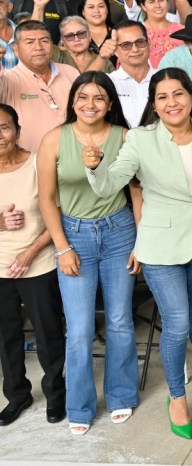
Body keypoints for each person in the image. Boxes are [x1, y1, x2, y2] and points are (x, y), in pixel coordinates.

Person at [83, 68, 192, 440]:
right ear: (154, 104)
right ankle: (178, 396)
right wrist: (95, 166)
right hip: (161, 246)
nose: (172, 102)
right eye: (163, 97)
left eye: (179, 94)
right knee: (178, 322)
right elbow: (110, 185)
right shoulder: (140, 139)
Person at [37, 71, 140, 436]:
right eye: (83, 97)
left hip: (119, 233)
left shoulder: (125, 137)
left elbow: (136, 193)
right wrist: (62, 247)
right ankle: (79, 406)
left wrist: (139, 242)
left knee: (118, 321)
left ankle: (121, 394)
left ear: (110, 103)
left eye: (99, 98)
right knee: (79, 329)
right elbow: (47, 200)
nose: (90, 104)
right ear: (73, 101)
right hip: (74, 236)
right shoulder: (54, 140)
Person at [0, 104, 65, 427]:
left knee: (48, 332)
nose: (0, 136)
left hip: (37, 262)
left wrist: (29, 252)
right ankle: (17, 395)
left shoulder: (37, 164)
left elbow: (58, 209)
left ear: (17, 130)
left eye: (4, 127)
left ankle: (55, 395)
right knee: (6, 335)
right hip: (0, 268)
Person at [0, 20, 79, 152]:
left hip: (73, 158)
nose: (39, 47)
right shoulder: (8, 80)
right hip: (30, 165)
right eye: (29, 42)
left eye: (44, 41)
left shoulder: (71, 72)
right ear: (16, 49)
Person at [109, 21, 156, 128]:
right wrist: (102, 58)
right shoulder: (109, 82)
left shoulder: (164, 79)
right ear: (115, 50)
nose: (135, 49)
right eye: (126, 45)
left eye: (140, 42)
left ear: (149, 43)